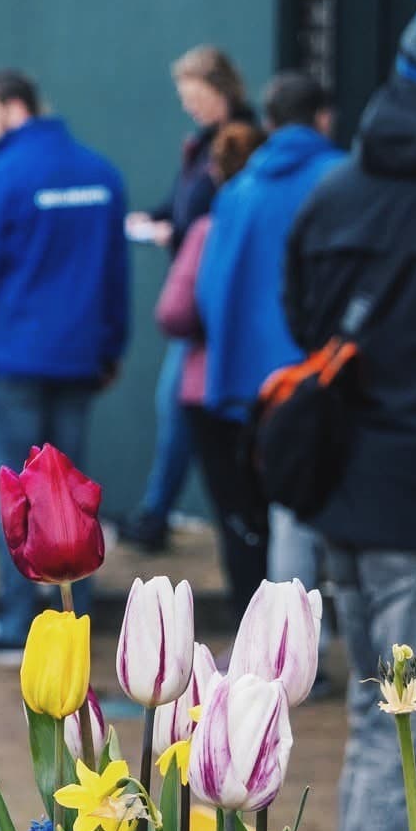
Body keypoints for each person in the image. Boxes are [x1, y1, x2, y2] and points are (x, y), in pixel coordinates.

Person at [284, 4, 416, 831]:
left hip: (347, 493)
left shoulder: (336, 191)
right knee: (401, 725)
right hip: (414, 508)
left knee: (382, 720)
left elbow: (304, 325)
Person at [0, 69, 128, 667]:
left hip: (11, 361)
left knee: (20, 498)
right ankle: (75, 618)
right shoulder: (100, 173)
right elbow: (115, 272)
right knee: (71, 497)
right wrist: (111, 347)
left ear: (13, 108)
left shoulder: (0, 177)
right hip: (78, 358)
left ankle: (20, 624)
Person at [196, 71, 347, 588]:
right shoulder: (344, 181)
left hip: (255, 390)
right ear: (324, 119)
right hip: (331, 377)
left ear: (268, 122)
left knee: (284, 519)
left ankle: (296, 662)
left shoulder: (238, 191)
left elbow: (209, 290)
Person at [119, 45, 256, 553]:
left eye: (194, 95)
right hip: (199, 303)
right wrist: (152, 219)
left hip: (212, 306)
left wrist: (169, 234)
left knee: (181, 406)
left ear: (219, 90)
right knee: (177, 409)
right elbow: (183, 205)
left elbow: (212, 221)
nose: (189, 106)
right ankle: (156, 513)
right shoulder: (201, 145)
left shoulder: (239, 144)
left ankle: (159, 515)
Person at [155, 122, 265, 606]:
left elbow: (174, 313)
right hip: (278, 391)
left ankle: (251, 631)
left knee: (236, 518)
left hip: (212, 391)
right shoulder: (287, 223)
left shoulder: (208, 231)